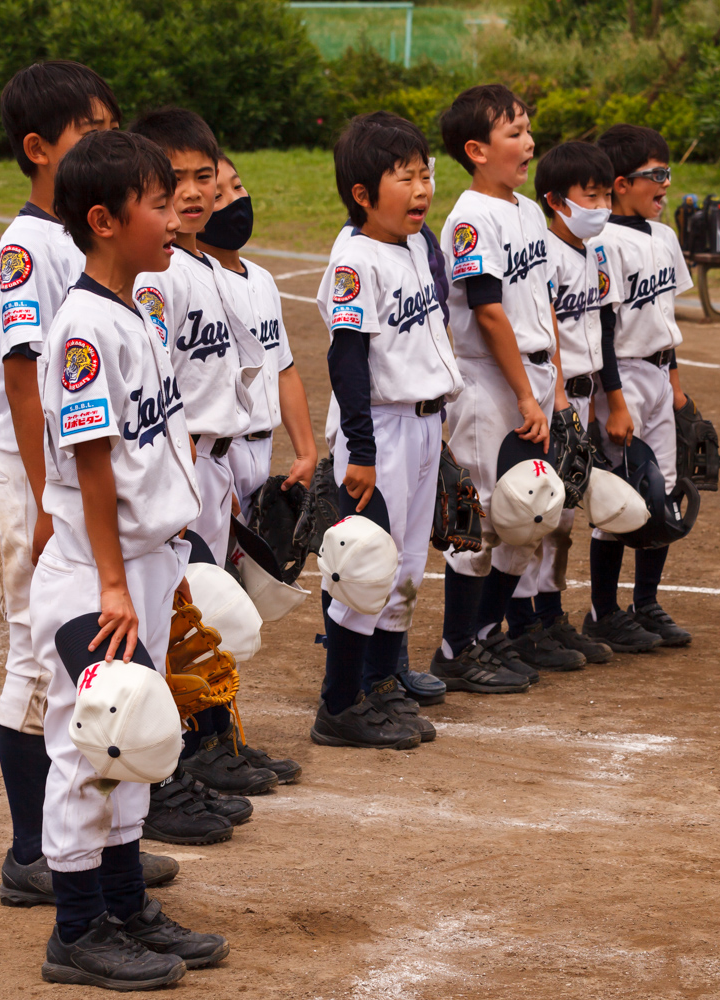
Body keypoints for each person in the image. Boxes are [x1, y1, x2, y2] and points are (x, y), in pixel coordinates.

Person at [30, 127, 228, 989]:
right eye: (156, 203)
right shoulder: (82, 329)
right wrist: (113, 580)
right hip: (90, 574)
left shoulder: (134, 312)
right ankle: (75, 931)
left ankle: (123, 907)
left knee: (139, 741)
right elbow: (92, 462)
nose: (174, 216)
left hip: (140, 562)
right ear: (106, 220)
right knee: (93, 744)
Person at [0, 61, 180, 909]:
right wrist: (49, 508)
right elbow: (35, 393)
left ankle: (118, 894)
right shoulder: (38, 256)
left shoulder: (124, 288)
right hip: (59, 503)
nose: (174, 218)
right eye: (89, 131)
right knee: (58, 697)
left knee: (125, 717)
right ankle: (52, 874)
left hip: (123, 526)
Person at [128, 108, 289, 804]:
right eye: (175, 180)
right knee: (182, 612)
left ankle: (216, 736)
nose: (194, 193)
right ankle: (188, 752)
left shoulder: (203, 265)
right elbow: (159, 382)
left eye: (204, 177)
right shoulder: (159, 276)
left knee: (208, 611)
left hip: (214, 461)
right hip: (182, 459)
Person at [312, 111, 463, 747]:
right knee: (364, 565)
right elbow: (346, 360)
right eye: (405, 177)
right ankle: (338, 704)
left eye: (426, 173)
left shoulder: (410, 247)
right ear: (363, 194)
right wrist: (363, 451)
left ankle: (378, 684)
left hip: (421, 425)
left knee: (403, 564)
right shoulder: (354, 262)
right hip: (380, 430)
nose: (423, 189)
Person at [433, 84, 565, 694]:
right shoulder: (469, 219)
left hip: (530, 375)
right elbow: (488, 313)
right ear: (476, 150)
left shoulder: (529, 211)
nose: (529, 142)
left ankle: (487, 632)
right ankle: (455, 645)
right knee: (482, 515)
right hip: (489, 383)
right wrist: (527, 396)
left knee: (527, 512)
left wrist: (551, 386)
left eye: (527, 129)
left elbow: (540, 303)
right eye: (514, 133)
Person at [580, 124, 695, 654]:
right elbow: (603, 329)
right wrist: (615, 402)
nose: (666, 185)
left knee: (664, 492)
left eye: (667, 173)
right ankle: (604, 612)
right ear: (621, 183)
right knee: (620, 496)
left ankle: (645, 601)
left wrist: (676, 386)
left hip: (657, 373)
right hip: (619, 375)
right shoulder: (603, 241)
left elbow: (665, 318)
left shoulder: (665, 238)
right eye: (657, 175)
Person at [507, 141, 617, 667]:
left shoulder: (593, 251)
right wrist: (554, 403)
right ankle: (524, 622)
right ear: (555, 199)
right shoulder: (545, 253)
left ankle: (550, 615)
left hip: (581, 396)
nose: (599, 204)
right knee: (538, 514)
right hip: (552, 397)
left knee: (564, 521)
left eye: (603, 193)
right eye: (588, 194)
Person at [197, 153, 319, 509]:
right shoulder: (190, 281)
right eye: (218, 196)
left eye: (237, 186)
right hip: (218, 450)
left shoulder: (262, 279)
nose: (235, 200)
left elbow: (284, 368)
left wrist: (306, 451)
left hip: (262, 451)